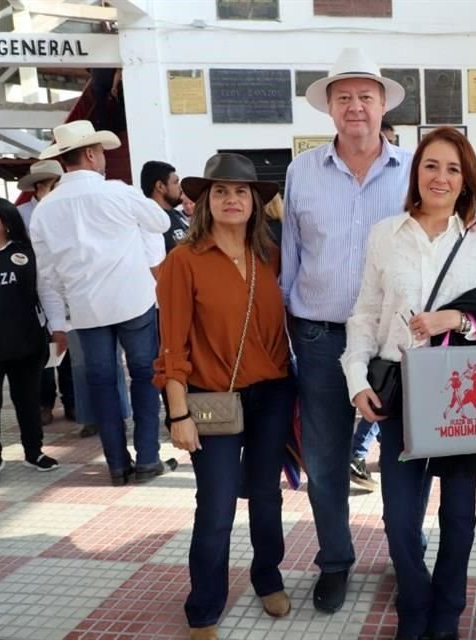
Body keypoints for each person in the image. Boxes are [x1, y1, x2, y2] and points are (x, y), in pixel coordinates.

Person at [343, 126, 476, 640]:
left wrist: (455, 319)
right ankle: (413, 607)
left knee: (459, 519)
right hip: (400, 394)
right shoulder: (385, 235)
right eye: (432, 165)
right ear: (416, 172)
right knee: (399, 518)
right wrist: (356, 379)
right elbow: (366, 314)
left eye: (453, 169)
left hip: (461, 395)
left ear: (467, 183)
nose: (441, 177)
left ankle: (448, 614)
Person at [282, 47, 412, 614]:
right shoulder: (301, 171)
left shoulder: (414, 170)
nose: (355, 107)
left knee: (405, 456)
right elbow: (290, 259)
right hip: (320, 337)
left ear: (383, 105)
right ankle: (335, 561)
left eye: (366, 96)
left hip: (395, 340)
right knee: (327, 460)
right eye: (344, 98)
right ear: (329, 108)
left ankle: (408, 554)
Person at [155, 153, 293, 640]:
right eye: (220, 191)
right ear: (204, 202)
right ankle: (205, 606)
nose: (232, 199)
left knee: (267, 497)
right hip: (210, 397)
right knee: (215, 505)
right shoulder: (183, 261)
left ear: (256, 201)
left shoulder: (271, 255)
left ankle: (267, 576)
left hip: (273, 394)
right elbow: (172, 344)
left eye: (241, 191)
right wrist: (178, 414)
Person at [29, 120, 171, 486]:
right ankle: (148, 458)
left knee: (103, 385)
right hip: (134, 300)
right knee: (144, 378)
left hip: (86, 309)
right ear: (90, 154)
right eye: (102, 152)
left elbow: (46, 274)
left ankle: (117, 466)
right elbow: (158, 222)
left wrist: (59, 319)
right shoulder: (118, 192)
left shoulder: (45, 208)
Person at [0, 196, 64, 488]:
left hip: (26, 344)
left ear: (7, 221)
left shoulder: (26, 255)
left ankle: (34, 452)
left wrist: (58, 328)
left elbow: (47, 293)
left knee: (28, 401)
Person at [17, 160, 74, 426]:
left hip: (65, 287)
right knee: (43, 354)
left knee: (68, 353)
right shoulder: (20, 215)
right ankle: (44, 403)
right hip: (33, 293)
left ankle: (73, 403)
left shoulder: (66, 212)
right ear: (39, 187)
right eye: (53, 186)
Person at [141, 160, 188, 254]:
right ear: (160, 186)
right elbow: (156, 266)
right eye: (175, 182)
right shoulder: (150, 221)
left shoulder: (177, 214)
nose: (180, 187)